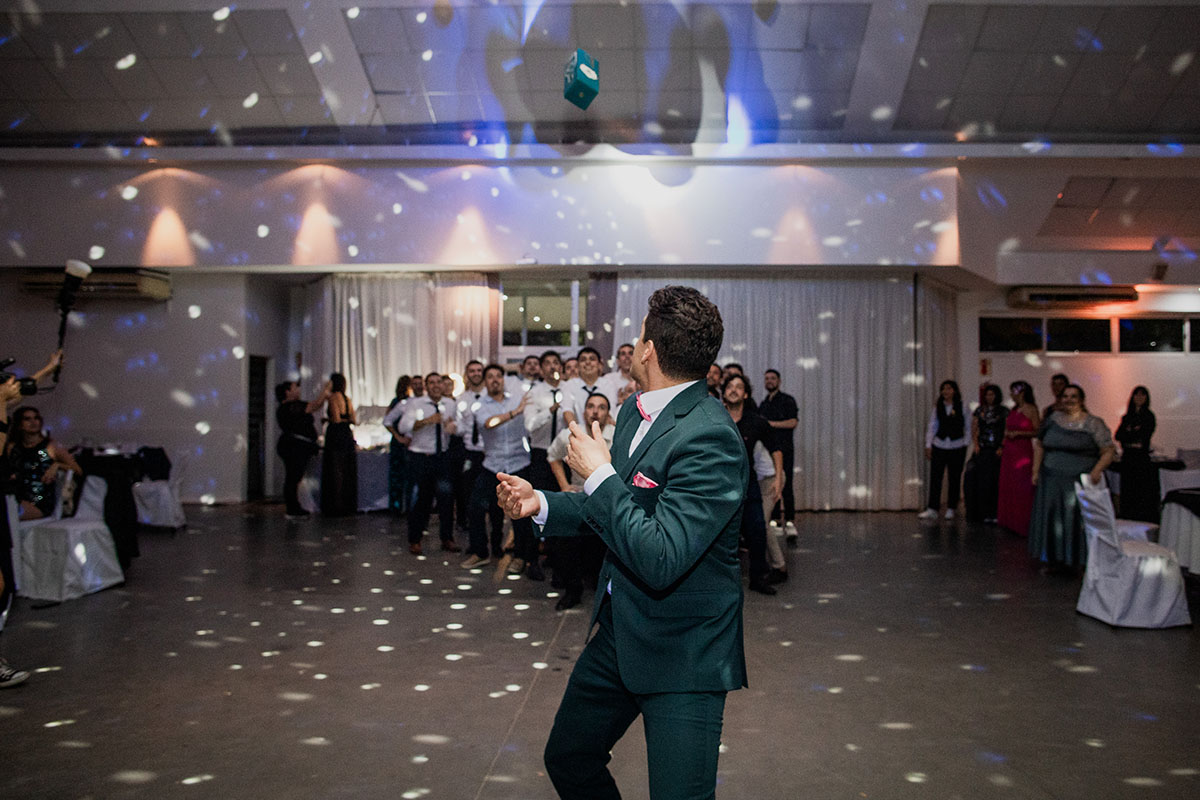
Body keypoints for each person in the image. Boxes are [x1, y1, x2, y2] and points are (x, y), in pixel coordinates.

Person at [497, 285, 747, 800]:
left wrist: (599, 476)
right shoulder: (633, 412)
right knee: (569, 758)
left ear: (650, 350)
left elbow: (660, 556)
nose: (633, 344)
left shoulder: (711, 438)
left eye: (638, 335)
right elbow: (619, 514)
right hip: (620, 630)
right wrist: (540, 503)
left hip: (684, 651)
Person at [458, 364, 538, 575]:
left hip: (519, 463)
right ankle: (480, 552)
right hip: (492, 465)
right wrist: (514, 413)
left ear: (503, 380)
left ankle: (520, 556)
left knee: (520, 513)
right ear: (485, 382)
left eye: (498, 376)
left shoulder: (516, 399)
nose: (495, 380)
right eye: (490, 377)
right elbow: (489, 423)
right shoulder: (480, 405)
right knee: (476, 507)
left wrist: (521, 409)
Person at [1029, 384, 1115, 573]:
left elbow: (1108, 451)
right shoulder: (1052, 420)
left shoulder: (1093, 423)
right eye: (1065, 396)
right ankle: (1053, 559)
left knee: (1074, 520)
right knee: (1053, 520)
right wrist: (1035, 471)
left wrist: (1097, 470)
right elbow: (1040, 445)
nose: (1068, 400)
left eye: (1073, 396)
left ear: (1081, 400)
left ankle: (1075, 559)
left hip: (1078, 482)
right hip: (1051, 480)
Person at [545, 391, 614, 610]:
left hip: (605, 496)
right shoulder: (570, 433)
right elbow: (552, 456)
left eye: (601, 407)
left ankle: (598, 586)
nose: (595, 411)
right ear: (584, 411)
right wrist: (564, 485)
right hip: (578, 494)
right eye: (591, 406)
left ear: (608, 413)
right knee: (568, 544)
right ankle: (572, 590)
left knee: (601, 547)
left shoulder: (617, 433)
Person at [724, 374, 782, 595]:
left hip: (748, 484)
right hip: (720, 485)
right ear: (724, 392)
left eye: (739, 387)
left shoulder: (756, 421)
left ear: (746, 394)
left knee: (757, 529)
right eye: (730, 386)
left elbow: (776, 448)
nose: (734, 390)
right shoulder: (715, 418)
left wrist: (778, 479)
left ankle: (758, 578)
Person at [398, 373, 459, 554]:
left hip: (442, 457)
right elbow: (403, 427)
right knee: (420, 501)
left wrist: (453, 428)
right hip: (420, 458)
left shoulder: (450, 404)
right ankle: (415, 540)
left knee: (446, 499)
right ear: (426, 386)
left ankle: (447, 538)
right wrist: (426, 421)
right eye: (431, 383)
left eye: (438, 382)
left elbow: (459, 427)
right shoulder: (415, 403)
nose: (435, 386)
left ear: (443, 385)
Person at [5, 405, 82, 521]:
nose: (33, 422)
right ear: (19, 424)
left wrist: (57, 465)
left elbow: (77, 470)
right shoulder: (12, 448)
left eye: (36, 418)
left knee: (10, 511)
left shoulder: (51, 447)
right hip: (15, 495)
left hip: (39, 501)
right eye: (27, 419)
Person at [274, 380, 328, 518]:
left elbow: (314, 406)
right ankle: (292, 508)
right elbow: (314, 406)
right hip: (293, 447)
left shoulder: (289, 407)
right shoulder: (289, 407)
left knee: (294, 477)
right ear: (288, 392)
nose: (298, 389)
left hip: (296, 446)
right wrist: (325, 391)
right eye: (295, 387)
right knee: (293, 477)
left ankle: (294, 506)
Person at [919, 380, 971, 521]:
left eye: (948, 388)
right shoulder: (938, 407)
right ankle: (933, 508)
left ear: (954, 390)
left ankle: (951, 508)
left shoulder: (963, 406)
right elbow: (932, 426)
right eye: (943, 389)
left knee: (954, 478)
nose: (945, 392)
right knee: (936, 477)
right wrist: (928, 444)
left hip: (957, 446)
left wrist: (965, 444)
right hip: (940, 445)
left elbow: (968, 426)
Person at [759, 368, 799, 542]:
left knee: (786, 484)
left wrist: (771, 424)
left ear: (779, 381)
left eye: (772, 378)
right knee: (771, 486)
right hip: (767, 454)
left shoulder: (788, 400)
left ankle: (789, 521)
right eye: (767, 378)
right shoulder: (763, 403)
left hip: (785, 450)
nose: (769, 381)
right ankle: (774, 520)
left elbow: (793, 422)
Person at [997, 381, 1040, 537]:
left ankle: (1023, 522)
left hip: (1022, 451)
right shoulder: (1013, 410)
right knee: (1009, 484)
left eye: (1013, 392)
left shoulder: (1031, 410)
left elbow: (1037, 431)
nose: (1011, 395)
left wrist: (1019, 434)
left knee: (1022, 485)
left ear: (1021, 392)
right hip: (1010, 450)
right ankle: (1009, 520)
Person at [1115, 385, 1159, 523]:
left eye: (1142, 395)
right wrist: (1132, 437)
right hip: (1128, 459)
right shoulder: (1127, 417)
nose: (1139, 398)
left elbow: (1144, 436)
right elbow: (1119, 435)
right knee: (1128, 490)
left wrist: (1130, 435)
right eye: (1137, 395)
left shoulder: (1149, 417)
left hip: (1141, 460)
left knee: (1140, 490)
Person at [452, 360, 486, 532]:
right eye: (472, 371)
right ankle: (473, 532)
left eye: (479, 370)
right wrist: (452, 428)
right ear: (467, 374)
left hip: (489, 453)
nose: (476, 373)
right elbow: (460, 428)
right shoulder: (461, 399)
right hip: (469, 453)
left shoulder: (491, 397)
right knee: (469, 495)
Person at [965, 383, 1006, 524]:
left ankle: (994, 512)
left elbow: (1006, 429)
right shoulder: (979, 410)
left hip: (996, 449)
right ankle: (981, 512)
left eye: (992, 394)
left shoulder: (1003, 411)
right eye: (987, 394)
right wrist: (976, 444)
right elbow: (974, 427)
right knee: (981, 481)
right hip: (982, 449)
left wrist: (1002, 445)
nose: (990, 397)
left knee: (994, 482)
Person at [320, 372, 358, 517]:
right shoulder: (347, 399)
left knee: (335, 468)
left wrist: (327, 420)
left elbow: (335, 419)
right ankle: (347, 504)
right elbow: (353, 420)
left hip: (336, 435)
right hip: (347, 434)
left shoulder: (332, 398)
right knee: (347, 468)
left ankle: (336, 505)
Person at [561, 347, 617, 428]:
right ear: (578, 366)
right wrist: (578, 433)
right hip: (578, 432)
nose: (587, 362)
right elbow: (567, 411)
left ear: (599, 365)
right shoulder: (569, 385)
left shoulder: (609, 384)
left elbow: (610, 413)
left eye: (592, 359)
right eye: (583, 360)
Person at [383, 376, 413, 514]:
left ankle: (399, 506)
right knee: (402, 475)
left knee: (401, 475)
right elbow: (387, 420)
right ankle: (402, 506)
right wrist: (398, 436)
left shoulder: (399, 402)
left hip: (402, 441)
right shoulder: (403, 403)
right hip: (401, 441)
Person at [597, 342, 638, 415]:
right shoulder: (608, 379)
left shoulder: (642, 380)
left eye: (631, 353)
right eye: (623, 354)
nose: (627, 357)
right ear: (618, 361)